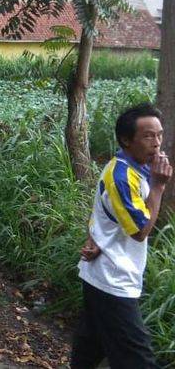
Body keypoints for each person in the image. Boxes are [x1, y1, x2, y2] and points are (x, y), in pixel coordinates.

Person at [71, 103, 172, 368]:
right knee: (138, 358)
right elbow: (140, 231)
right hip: (113, 279)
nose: (157, 142)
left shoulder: (141, 168)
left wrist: (98, 241)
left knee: (89, 348)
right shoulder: (122, 176)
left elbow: (104, 214)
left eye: (159, 134)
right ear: (126, 140)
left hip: (101, 272)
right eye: (148, 136)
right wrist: (159, 187)